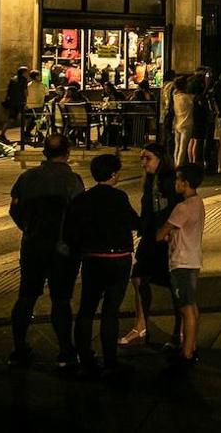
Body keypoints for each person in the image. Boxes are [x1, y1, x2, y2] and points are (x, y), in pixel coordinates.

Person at [7, 133, 84, 369]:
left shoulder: (27, 177)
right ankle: (65, 350)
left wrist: (28, 227)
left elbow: (14, 209)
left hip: (33, 244)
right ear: (67, 152)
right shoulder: (72, 180)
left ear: (44, 153)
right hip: (62, 247)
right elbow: (78, 214)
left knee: (27, 295)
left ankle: (19, 348)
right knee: (61, 298)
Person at [64, 153, 138, 376]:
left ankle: (85, 356)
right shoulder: (119, 198)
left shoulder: (83, 200)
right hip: (118, 258)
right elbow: (134, 222)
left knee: (86, 309)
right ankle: (110, 360)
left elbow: (70, 233)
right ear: (114, 174)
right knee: (110, 312)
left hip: (93, 258)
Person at [119, 143, 181, 349]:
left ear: (160, 159)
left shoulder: (170, 181)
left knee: (173, 284)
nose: (143, 162)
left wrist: (168, 231)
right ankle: (142, 323)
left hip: (165, 237)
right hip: (150, 236)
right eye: (142, 158)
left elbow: (175, 209)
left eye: (148, 158)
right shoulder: (150, 181)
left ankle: (178, 330)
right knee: (138, 277)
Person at [158, 163, 205, 367]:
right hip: (193, 258)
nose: (175, 183)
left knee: (185, 308)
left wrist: (164, 233)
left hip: (181, 261)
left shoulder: (182, 207)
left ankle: (187, 353)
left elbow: (160, 234)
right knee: (192, 306)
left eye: (178, 180)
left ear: (185, 183)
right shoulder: (198, 202)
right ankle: (191, 345)